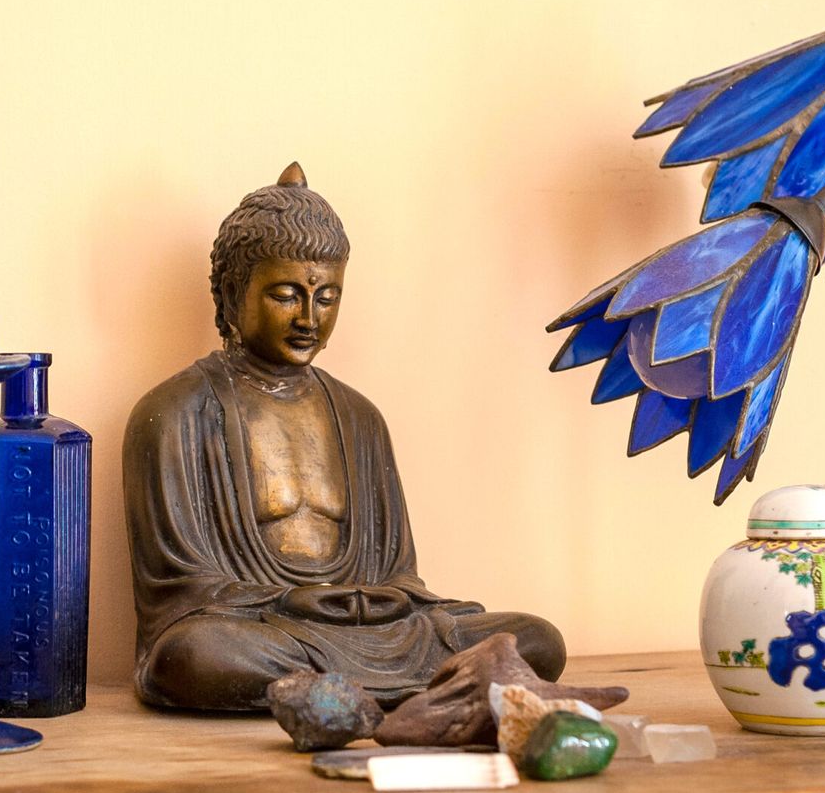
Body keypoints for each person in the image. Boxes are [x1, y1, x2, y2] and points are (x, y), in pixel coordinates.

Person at [125, 162, 565, 710]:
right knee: (193, 656)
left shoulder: (359, 417)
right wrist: (293, 599)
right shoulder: (173, 413)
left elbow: (401, 574)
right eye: (286, 294)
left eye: (327, 297)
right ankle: (419, 691)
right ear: (234, 292)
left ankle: (332, 696)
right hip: (262, 630)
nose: (309, 317)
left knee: (535, 638)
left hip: (374, 634)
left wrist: (374, 601)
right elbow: (176, 593)